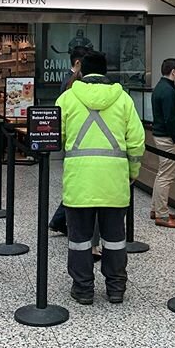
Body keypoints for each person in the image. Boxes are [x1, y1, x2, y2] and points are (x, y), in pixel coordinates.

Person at [57, 50, 145, 304]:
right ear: (107, 71)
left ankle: (83, 288)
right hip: (114, 182)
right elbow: (137, 142)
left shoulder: (67, 98)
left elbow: (56, 138)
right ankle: (116, 288)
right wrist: (132, 172)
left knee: (80, 240)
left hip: (79, 181)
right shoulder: (124, 99)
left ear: (81, 70)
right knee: (115, 239)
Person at [49, 45, 89, 235]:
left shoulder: (70, 79)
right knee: (77, 185)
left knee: (78, 184)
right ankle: (59, 220)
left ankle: (59, 220)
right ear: (78, 62)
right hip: (78, 139)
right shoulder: (71, 82)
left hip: (75, 139)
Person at [150, 58, 175, 228]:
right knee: (166, 177)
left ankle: (156, 209)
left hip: (160, 135)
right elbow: (170, 118)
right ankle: (162, 215)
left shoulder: (160, 87)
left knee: (161, 174)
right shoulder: (168, 91)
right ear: (173, 72)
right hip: (168, 138)